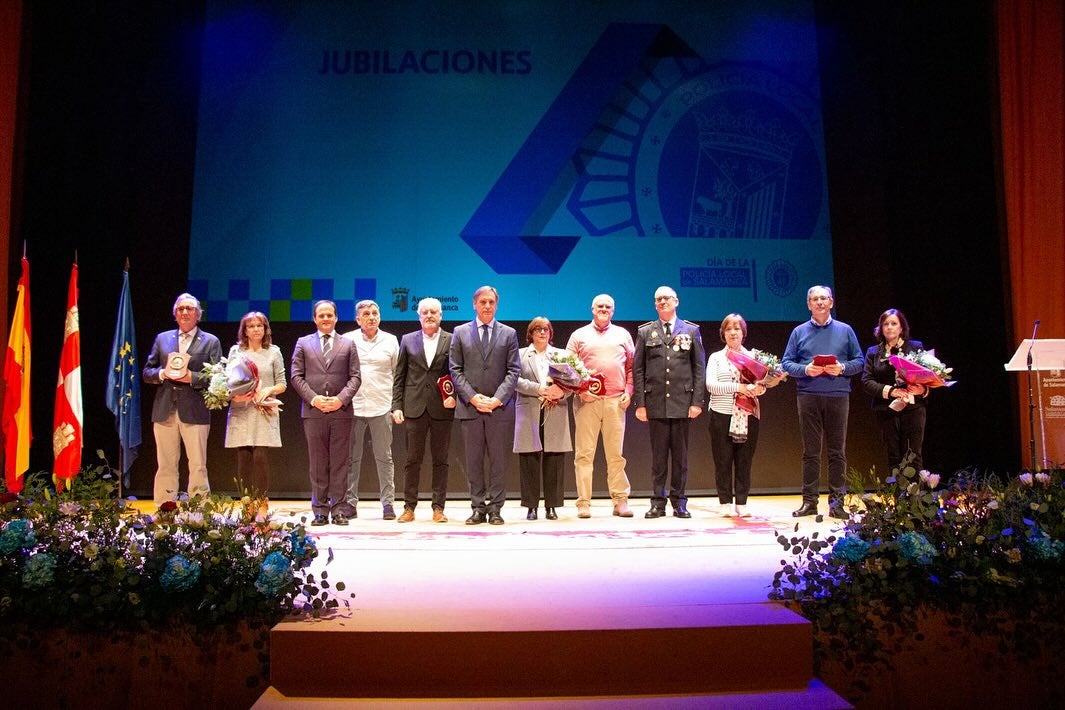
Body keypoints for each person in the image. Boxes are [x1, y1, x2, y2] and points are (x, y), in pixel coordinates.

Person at [781, 285, 864, 519]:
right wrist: (806, 369)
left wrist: (843, 368)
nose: (819, 302)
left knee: (837, 452)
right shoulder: (798, 332)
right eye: (814, 299)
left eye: (823, 298)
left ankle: (837, 503)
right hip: (808, 396)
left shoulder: (845, 330)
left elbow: (859, 361)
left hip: (838, 395)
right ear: (808, 304)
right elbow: (786, 363)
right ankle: (809, 502)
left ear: (831, 302)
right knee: (810, 452)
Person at [449, 286, 520, 525]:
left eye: (491, 302)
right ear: (474, 304)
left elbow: (513, 370)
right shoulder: (460, 332)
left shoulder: (509, 333)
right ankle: (478, 508)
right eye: (483, 302)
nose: (487, 306)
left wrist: (497, 399)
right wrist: (472, 397)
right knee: (474, 461)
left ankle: (496, 509)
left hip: (499, 409)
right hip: (470, 409)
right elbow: (455, 369)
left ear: (496, 305)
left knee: (499, 462)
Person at [143, 293, 223, 504]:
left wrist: (191, 377)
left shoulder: (210, 341)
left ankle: (199, 512)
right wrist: (162, 374)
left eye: (189, 309)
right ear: (175, 314)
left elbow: (218, 377)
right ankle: (165, 509)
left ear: (198, 314)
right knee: (166, 463)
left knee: (197, 464)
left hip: (195, 410)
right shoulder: (163, 338)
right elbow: (147, 372)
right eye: (180, 309)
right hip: (164, 410)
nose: (185, 312)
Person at [633, 286, 705, 519]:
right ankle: (657, 501)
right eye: (658, 299)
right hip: (655, 403)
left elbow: (698, 368)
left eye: (666, 298)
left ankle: (679, 501)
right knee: (659, 457)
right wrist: (641, 403)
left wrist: (696, 402)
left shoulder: (691, 331)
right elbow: (639, 369)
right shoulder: (646, 332)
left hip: (682, 402)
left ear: (676, 301)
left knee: (681, 458)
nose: (662, 302)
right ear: (655, 304)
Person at [290, 300, 362, 526]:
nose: (325, 319)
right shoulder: (303, 343)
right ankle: (320, 510)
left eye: (329, 315)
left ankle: (339, 509)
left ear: (336, 318)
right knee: (319, 463)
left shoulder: (348, 344)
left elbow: (356, 377)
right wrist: (314, 399)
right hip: (314, 411)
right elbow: (296, 376)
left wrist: (340, 400)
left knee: (340, 461)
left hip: (341, 412)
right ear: (314, 318)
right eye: (321, 315)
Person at [565, 294, 635, 519]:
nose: (604, 309)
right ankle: (583, 503)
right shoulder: (578, 335)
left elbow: (633, 368)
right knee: (584, 454)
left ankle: (620, 500)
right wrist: (580, 391)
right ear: (592, 309)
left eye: (608, 306)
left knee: (616, 455)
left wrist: (629, 391)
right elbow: (567, 371)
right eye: (600, 306)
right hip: (588, 402)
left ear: (613, 311)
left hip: (616, 402)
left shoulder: (623, 335)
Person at [705, 314, 778, 518]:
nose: (733, 332)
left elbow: (762, 386)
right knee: (723, 460)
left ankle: (742, 502)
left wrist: (759, 389)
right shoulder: (716, 358)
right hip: (722, 414)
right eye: (729, 329)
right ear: (723, 334)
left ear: (743, 333)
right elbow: (711, 385)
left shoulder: (754, 357)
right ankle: (725, 502)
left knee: (744, 460)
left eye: (737, 329)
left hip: (748, 414)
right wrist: (741, 387)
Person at [392, 297, 456, 523]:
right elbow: (400, 376)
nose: (429, 315)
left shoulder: (452, 339)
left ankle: (438, 508)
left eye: (434, 312)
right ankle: (409, 507)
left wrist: (454, 396)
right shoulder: (408, 340)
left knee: (441, 460)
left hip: (442, 408)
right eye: (425, 312)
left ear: (441, 315)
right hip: (414, 407)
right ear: (419, 316)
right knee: (412, 460)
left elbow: (457, 373)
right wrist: (396, 405)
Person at [342, 300, 400, 520]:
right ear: (358, 319)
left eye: (375, 312)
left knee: (384, 457)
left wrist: (396, 406)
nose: (371, 317)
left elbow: (397, 376)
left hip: (382, 406)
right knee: (351, 458)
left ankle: (388, 504)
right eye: (366, 313)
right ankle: (349, 503)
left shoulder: (391, 340)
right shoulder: (347, 339)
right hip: (353, 407)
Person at [223, 311, 286, 502]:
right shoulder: (236, 352)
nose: (256, 329)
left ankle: (261, 502)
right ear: (245, 330)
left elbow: (282, 383)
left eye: (260, 325)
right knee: (243, 457)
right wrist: (237, 395)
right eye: (251, 326)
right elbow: (228, 381)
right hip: (241, 409)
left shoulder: (273, 351)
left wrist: (267, 390)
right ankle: (246, 503)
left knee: (260, 457)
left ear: (266, 329)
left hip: (263, 409)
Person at [514, 317, 571, 520]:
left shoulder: (561, 355)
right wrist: (538, 388)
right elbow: (514, 380)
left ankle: (551, 506)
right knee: (529, 459)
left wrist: (560, 393)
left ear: (550, 333)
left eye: (546, 329)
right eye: (537, 329)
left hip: (554, 410)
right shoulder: (520, 354)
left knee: (554, 458)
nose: (542, 332)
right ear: (531, 333)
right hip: (529, 409)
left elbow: (572, 383)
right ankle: (531, 506)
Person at [861, 308, 929, 472]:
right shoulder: (873, 352)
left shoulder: (915, 347)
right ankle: (899, 496)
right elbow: (866, 381)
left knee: (913, 454)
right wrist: (891, 391)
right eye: (886, 324)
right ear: (880, 328)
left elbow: (929, 376)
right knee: (894, 455)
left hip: (913, 407)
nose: (889, 327)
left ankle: (914, 496)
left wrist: (922, 389)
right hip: (886, 409)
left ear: (901, 328)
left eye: (894, 323)